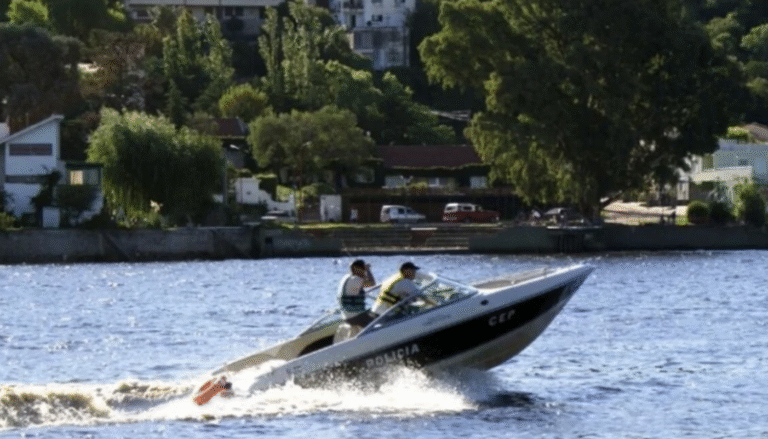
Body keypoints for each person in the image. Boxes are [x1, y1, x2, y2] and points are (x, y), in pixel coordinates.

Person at [372, 262, 436, 316]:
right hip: (386, 315)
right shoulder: (404, 282)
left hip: (376, 310)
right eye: (413, 270)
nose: (415, 272)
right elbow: (422, 297)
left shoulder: (396, 277)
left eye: (415, 270)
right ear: (406, 271)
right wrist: (436, 306)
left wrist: (432, 278)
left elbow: (422, 276)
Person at [338, 259, 376, 327]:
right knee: (379, 320)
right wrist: (368, 270)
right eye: (363, 269)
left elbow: (363, 283)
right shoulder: (355, 280)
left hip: (347, 316)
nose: (364, 271)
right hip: (355, 316)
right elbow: (372, 283)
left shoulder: (346, 277)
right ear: (358, 269)